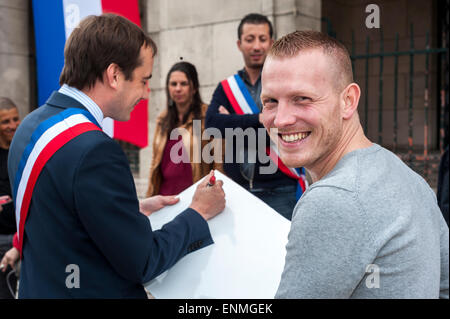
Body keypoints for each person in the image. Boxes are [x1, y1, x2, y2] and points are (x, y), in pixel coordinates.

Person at [7, 14, 225, 298]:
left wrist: (128, 211)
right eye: (143, 80)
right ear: (114, 75)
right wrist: (198, 212)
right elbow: (144, 261)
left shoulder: (29, 126)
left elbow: (62, 222)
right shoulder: (95, 150)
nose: (147, 94)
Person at [260, 30, 449, 298]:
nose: (280, 120)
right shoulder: (406, 176)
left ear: (348, 101)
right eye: (270, 102)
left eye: (302, 99)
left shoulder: (334, 198)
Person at [205, 13, 306, 220]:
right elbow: (212, 125)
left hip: (280, 189)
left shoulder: (286, 83)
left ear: (271, 42)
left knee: (280, 252)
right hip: (238, 190)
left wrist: (233, 123)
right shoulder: (227, 88)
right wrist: (259, 119)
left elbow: (286, 125)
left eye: (262, 39)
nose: (256, 46)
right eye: (250, 39)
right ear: (239, 43)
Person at [146, 61, 222, 197]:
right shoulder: (162, 120)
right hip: (165, 198)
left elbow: (218, 164)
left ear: (194, 88)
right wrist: (149, 197)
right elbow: (155, 162)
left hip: (195, 198)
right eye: (173, 84)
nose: (178, 89)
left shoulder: (208, 116)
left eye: (184, 84)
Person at [0, 97, 20, 298]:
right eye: (6, 121)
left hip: (25, 238)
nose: (13, 126)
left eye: (15, 119)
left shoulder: (25, 149)